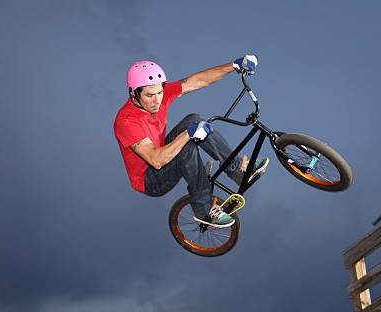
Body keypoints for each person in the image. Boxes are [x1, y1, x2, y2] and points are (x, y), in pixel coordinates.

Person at [113, 55, 268, 228]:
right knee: (186, 145)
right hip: (150, 179)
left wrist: (233, 65)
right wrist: (188, 134)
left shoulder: (158, 95)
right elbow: (156, 161)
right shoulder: (126, 122)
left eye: (160, 93)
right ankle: (203, 209)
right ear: (134, 93)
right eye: (150, 96)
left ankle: (236, 169)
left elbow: (198, 80)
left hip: (162, 154)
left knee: (194, 120)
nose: (157, 100)